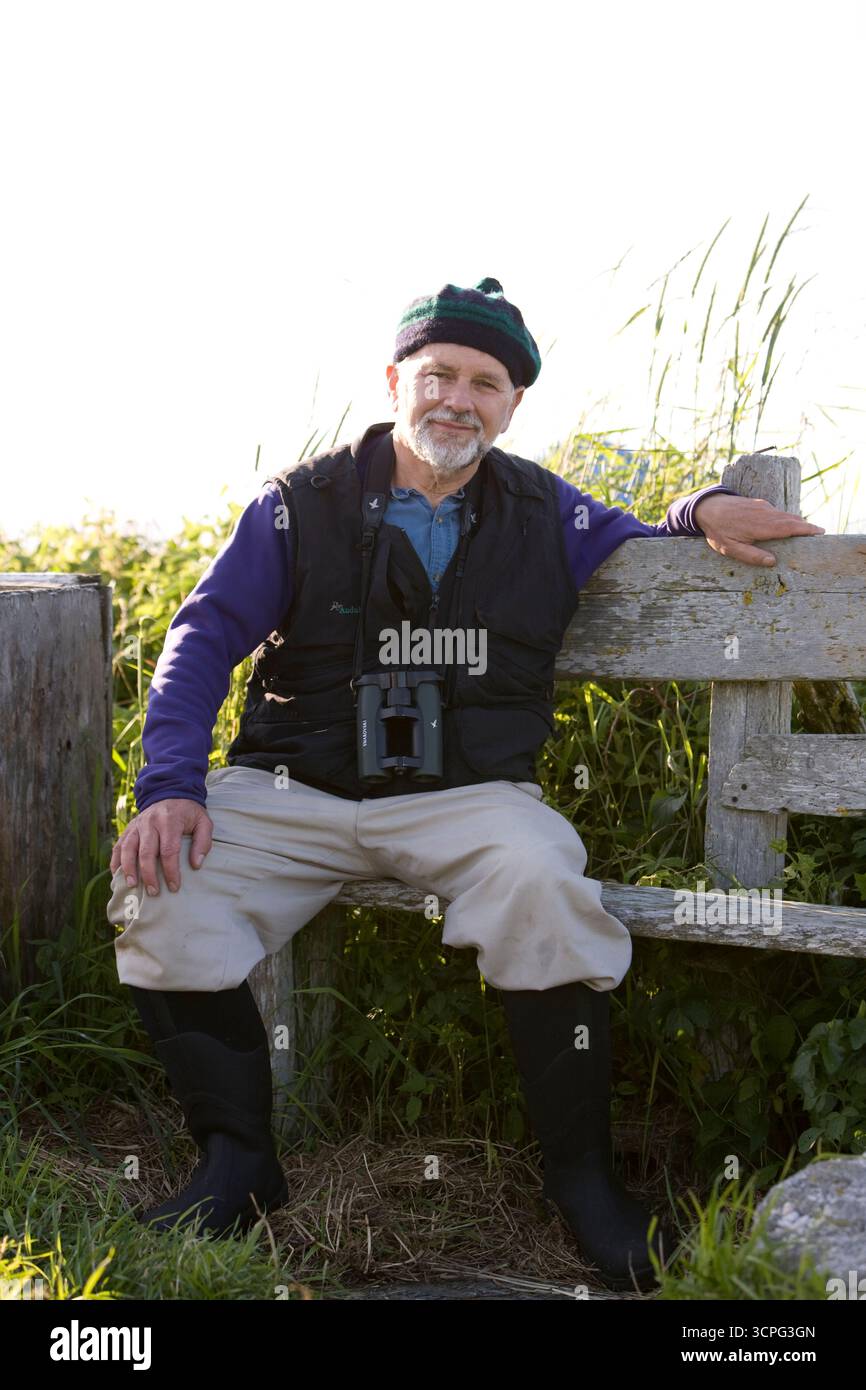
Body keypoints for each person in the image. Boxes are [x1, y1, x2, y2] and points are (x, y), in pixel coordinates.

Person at [106, 276, 823, 1291]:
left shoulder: (547, 509)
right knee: (161, 883)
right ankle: (237, 1163)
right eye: (437, 374)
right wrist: (170, 785)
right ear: (395, 380)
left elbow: (642, 531)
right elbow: (203, 634)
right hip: (293, 787)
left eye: (485, 383)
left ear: (512, 405)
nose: (457, 399)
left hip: (467, 798)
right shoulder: (296, 505)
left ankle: (585, 1190)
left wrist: (699, 505)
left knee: (544, 882)